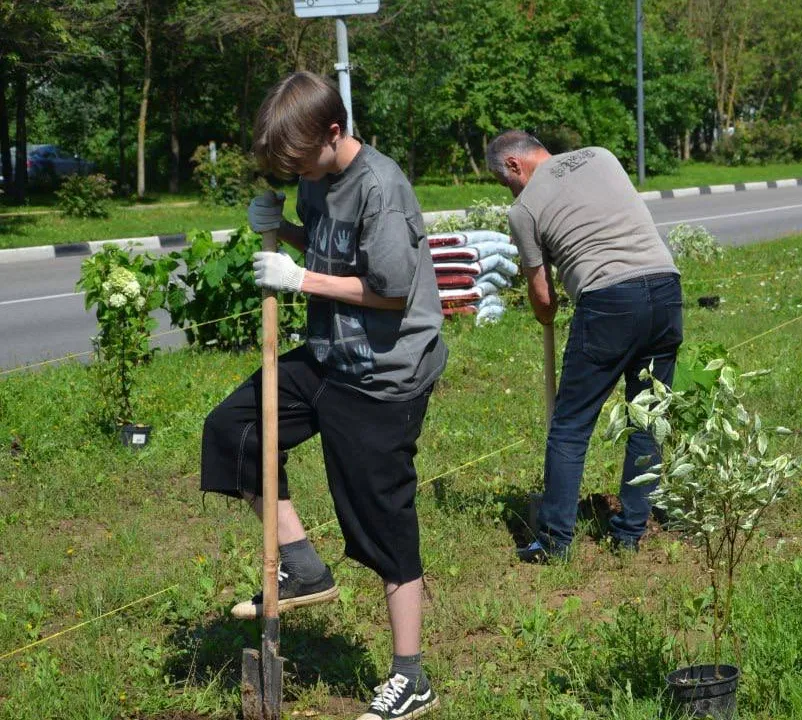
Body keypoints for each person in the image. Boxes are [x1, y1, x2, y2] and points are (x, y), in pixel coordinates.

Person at [200, 71, 447, 720]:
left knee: (382, 519)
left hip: (385, 373)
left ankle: (411, 676)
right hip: (329, 354)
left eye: (301, 162)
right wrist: (284, 230)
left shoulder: (381, 189)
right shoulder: (316, 176)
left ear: (334, 133)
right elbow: (333, 251)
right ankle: (302, 564)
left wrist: (299, 278)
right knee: (235, 429)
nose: (296, 174)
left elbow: (389, 290)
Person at [485, 131, 683, 563]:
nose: (510, 191)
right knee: (647, 417)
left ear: (514, 165)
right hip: (666, 287)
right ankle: (630, 533)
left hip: (609, 301)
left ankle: (554, 542)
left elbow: (543, 299)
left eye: (505, 182)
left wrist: (544, 310)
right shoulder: (601, 155)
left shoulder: (523, 209)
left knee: (571, 426)